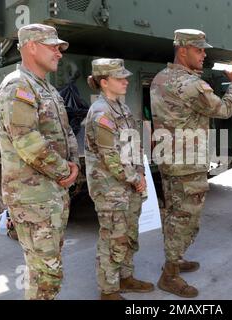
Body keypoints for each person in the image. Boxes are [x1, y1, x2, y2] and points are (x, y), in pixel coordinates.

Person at [150, 29, 232, 298]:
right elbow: (224, 109)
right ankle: (169, 275)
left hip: (169, 160)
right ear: (183, 51)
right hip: (187, 164)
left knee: (173, 214)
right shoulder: (191, 84)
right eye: (199, 50)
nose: (204, 55)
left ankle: (175, 259)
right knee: (185, 218)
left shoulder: (160, 78)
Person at [0, 24, 79, 300]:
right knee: (46, 275)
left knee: (49, 269)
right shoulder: (18, 86)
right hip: (33, 198)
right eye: (53, 46)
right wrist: (64, 170)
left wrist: (74, 164)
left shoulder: (48, 90)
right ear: (31, 46)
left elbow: (66, 132)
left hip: (51, 195)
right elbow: (27, 140)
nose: (59, 52)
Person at [84, 58, 154, 300]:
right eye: (120, 78)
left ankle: (125, 277)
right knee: (112, 237)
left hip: (129, 184)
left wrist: (141, 173)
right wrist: (135, 178)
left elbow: (133, 144)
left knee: (129, 234)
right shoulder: (101, 112)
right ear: (104, 82)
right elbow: (111, 157)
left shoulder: (121, 109)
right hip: (110, 188)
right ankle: (109, 290)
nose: (126, 81)